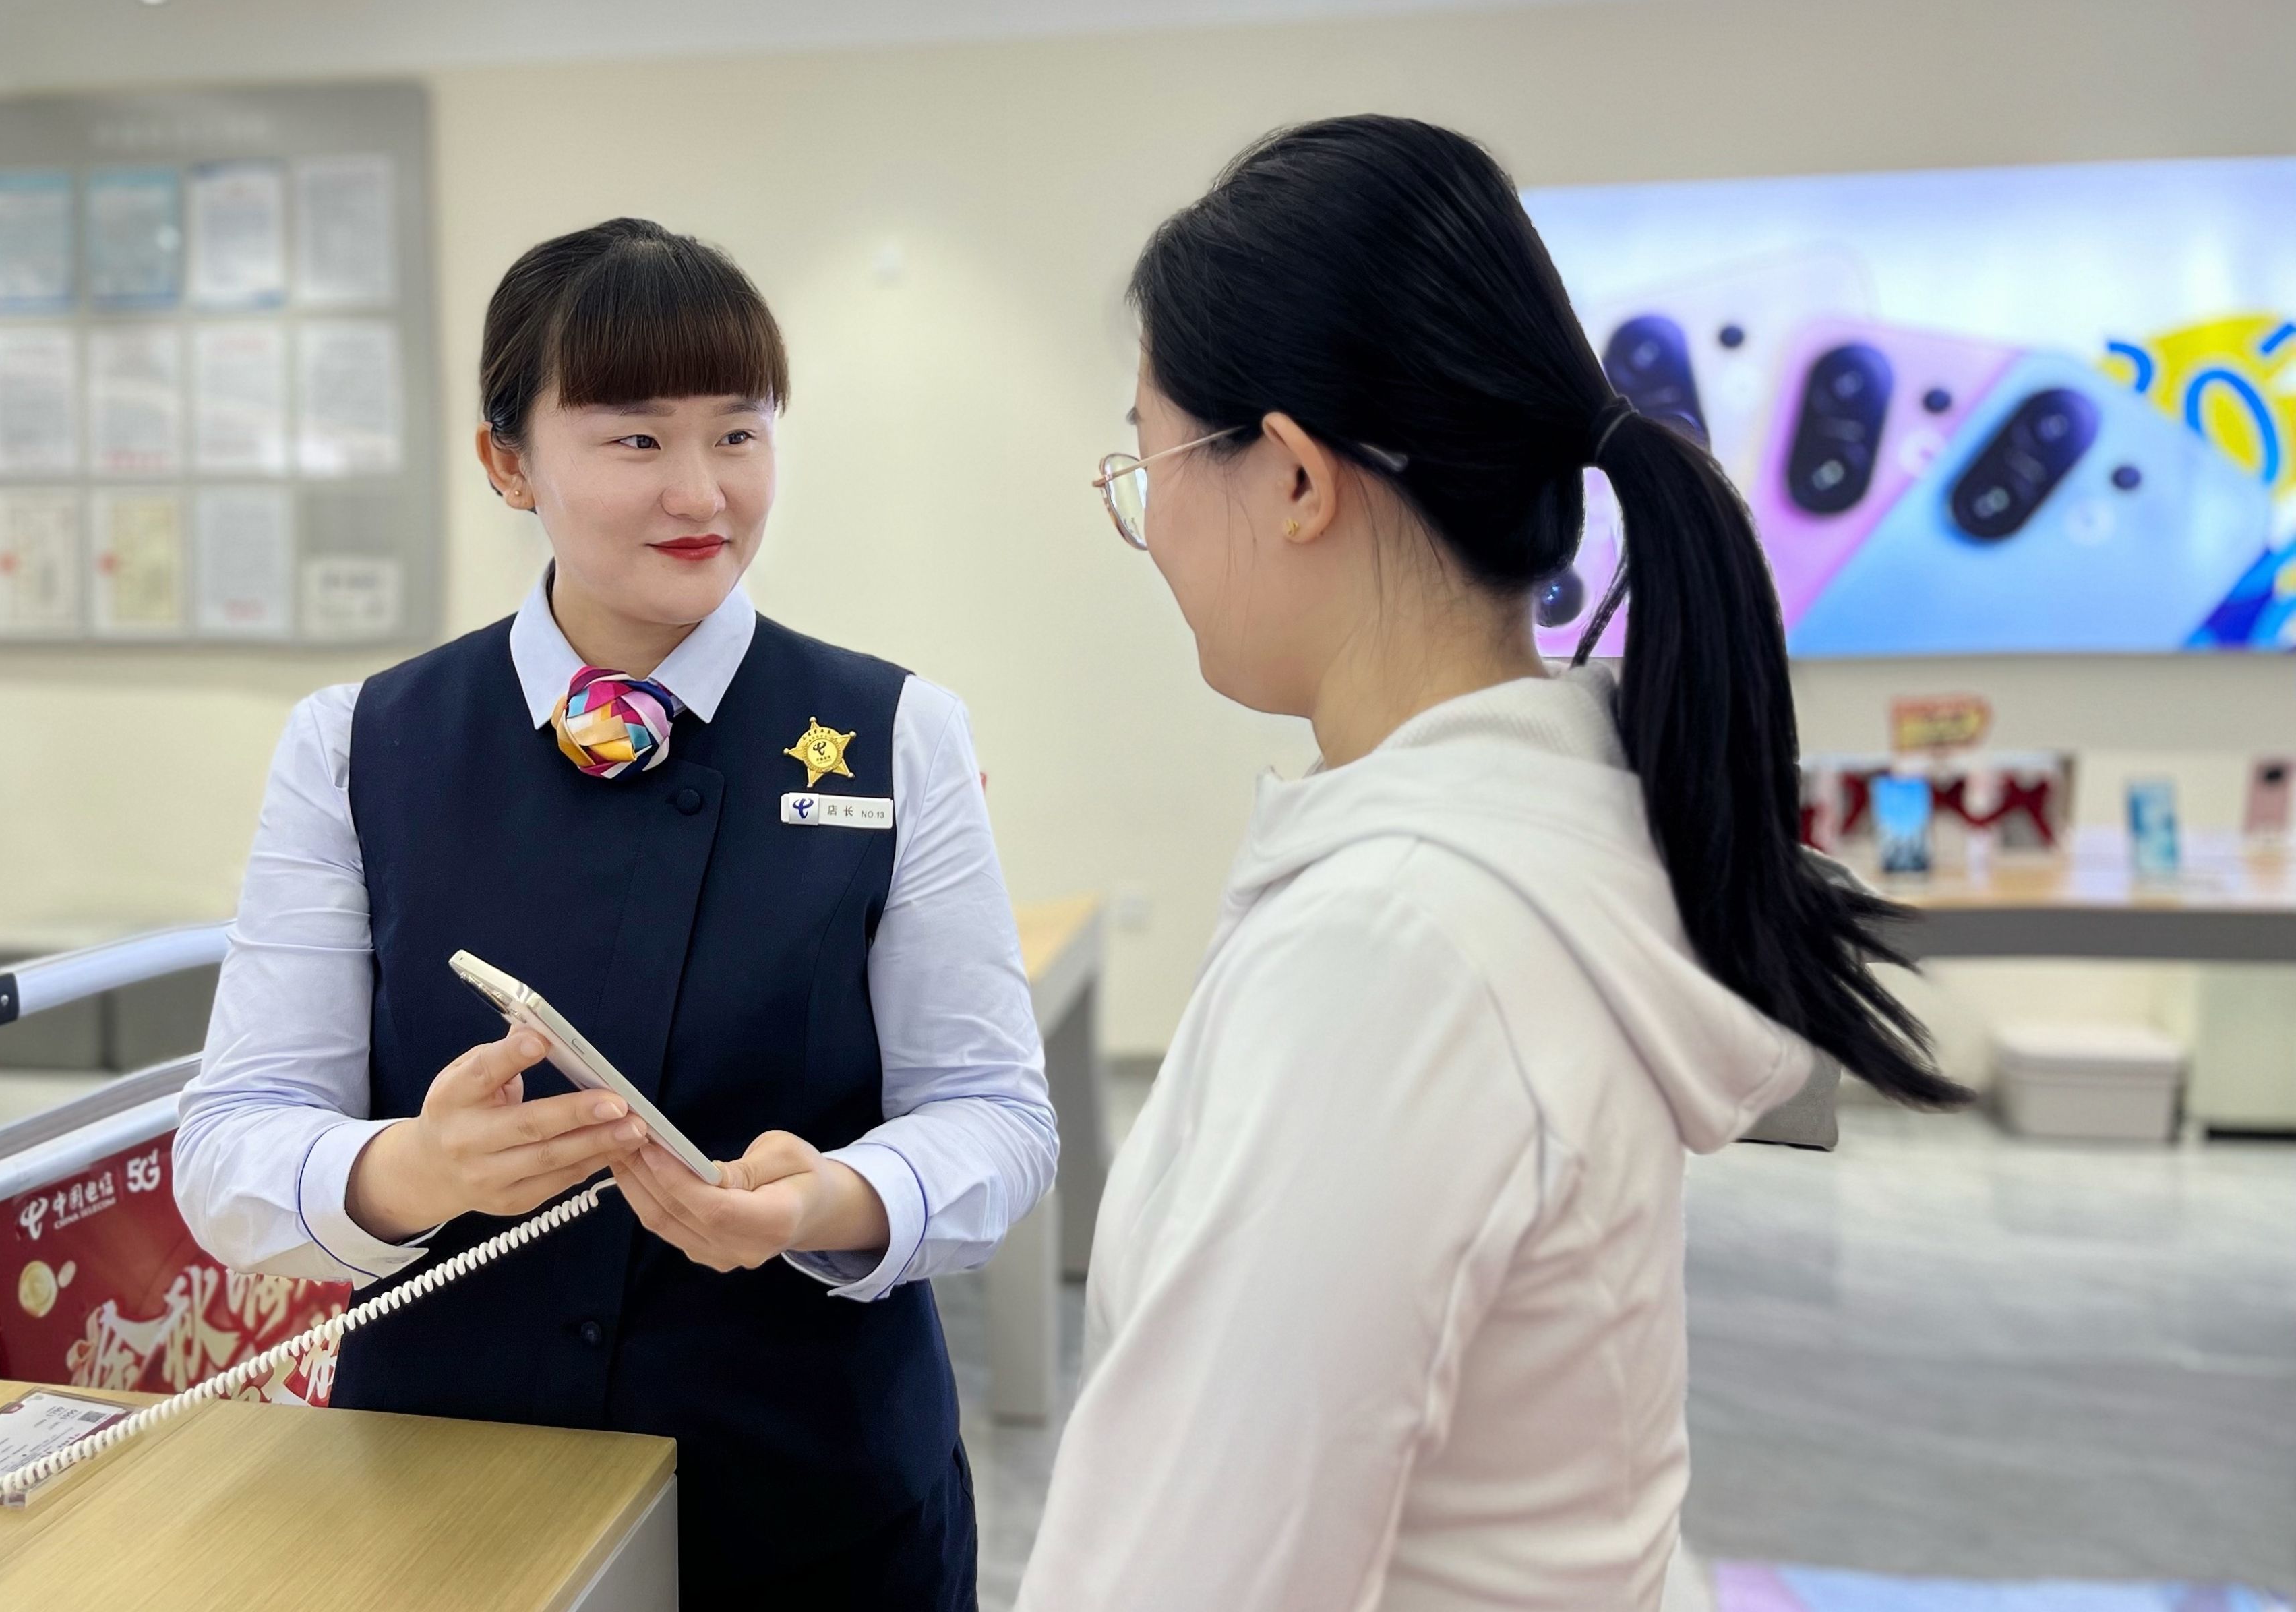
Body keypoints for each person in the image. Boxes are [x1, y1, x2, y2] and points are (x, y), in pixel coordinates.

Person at [1018, 117, 1968, 1611]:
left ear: (1293, 478)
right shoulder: (1535, 843)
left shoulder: (1394, 947)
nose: (1151, 522)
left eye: (1152, 460)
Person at [176, 218, 1055, 1611]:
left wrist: (828, 1202)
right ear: (506, 463)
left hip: (813, 1502)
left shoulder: (898, 732)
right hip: (455, 1498)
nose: (701, 491)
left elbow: (996, 1116)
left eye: (739, 433)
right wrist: (418, 1170)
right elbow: (232, 1139)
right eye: (636, 439)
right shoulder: (360, 743)